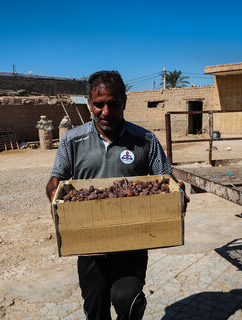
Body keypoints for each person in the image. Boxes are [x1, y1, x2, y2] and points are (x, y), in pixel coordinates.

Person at [46, 70, 184, 320]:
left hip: (132, 239)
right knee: (95, 307)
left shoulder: (145, 140)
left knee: (126, 300)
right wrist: (54, 195)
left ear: (124, 103)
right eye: (99, 105)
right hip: (89, 241)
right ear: (89, 104)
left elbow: (165, 179)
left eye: (113, 104)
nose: (106, 112)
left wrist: (178, 193)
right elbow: (57, 179)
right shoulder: (73, 140)